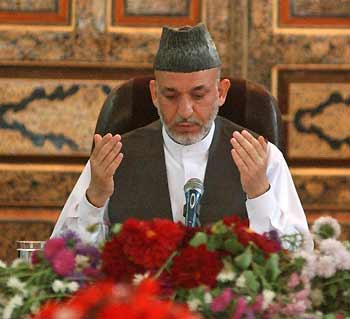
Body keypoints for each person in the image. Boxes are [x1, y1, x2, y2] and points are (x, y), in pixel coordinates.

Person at [52, 23, 310, 247]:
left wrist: (259, 193)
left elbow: (297, 259)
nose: (185, 111)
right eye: (170, 96)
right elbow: (64, 259)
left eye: (198, 95)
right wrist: (94, 199)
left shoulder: (262, 157)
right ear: (154, 94)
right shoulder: (114, 158)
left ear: (221, 92)